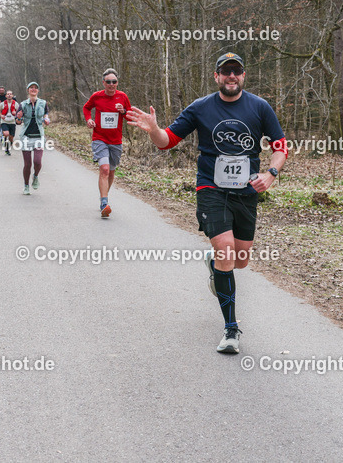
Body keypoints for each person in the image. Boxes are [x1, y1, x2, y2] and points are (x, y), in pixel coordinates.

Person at [126, 53, 287, 354]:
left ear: (243, 75)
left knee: (239, 260)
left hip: (246, 192)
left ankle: (215, 267)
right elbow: (167, 141)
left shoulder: (259, 107)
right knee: (226, 251)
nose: (231, 76)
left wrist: (271, 173)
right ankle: (231, 330)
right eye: (225, 72)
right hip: (210, 189)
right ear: (216, 76)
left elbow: (280, 147)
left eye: (236, 71)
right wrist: (153, 130)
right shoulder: (200, 108)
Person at [83, 69, 131, 218]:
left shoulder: (122, 97)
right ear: (103, 83)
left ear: (117, 83)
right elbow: (86, 108)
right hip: (99, 139)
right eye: (108, 82)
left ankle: (103, 197)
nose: (111, 84)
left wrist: (123, 111)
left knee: (111, 171)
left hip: (116, 141)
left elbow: (129, 116)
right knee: (104, 169)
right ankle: (104, 203)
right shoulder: (97, 96)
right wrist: (89, 120)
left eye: (114, 82)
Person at [15, 82, 50, 195]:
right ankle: (26, 186)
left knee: (37, 161)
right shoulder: (23, 104)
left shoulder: (43, 103)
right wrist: (19, 118)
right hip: (26, 136)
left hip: (38, 136)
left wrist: (46, 120)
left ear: (38, 91)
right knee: (28, 164)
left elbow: (46, 116)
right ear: (28, 90)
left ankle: (35, 176)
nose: (33, 89)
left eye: (35, 88)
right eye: (31, 88)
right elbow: (18, 121)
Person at [0, 90, 20, 156]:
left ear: (12, 95)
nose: (9, 95)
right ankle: (4, 136)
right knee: (6, 133)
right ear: (6, 96)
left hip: (12, 122)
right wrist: (1, 115)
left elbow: (19, 112)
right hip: (4, 122)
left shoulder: (16, 104)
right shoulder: (2, 103)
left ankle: (7, 148)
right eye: (8, 94)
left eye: (10, 94)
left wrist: (16, 113)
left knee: (11, 137)